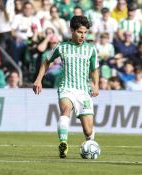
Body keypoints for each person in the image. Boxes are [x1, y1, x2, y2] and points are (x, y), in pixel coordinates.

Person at [33, 16, 99, 159]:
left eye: (85, 32)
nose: (83, 35)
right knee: (66, 110)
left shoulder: (91, 50)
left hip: (83, 91)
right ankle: (63, 143)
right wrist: (39, 80)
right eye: (80, 32)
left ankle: (90, 144)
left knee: (88, 130)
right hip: (66, 88)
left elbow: (94, 70)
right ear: (72, 30)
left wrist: (96, 85)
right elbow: (46, 62)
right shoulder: (61, 47)